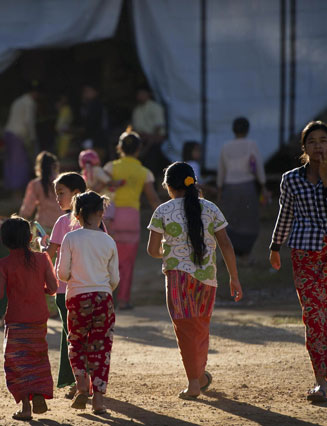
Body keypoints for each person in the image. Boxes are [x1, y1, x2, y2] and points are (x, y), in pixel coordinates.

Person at [269, 121, 327, 403]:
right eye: (312, 141)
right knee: (313, 314)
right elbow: (286, 214)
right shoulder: (291, 178)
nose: (318, 146)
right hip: (303, 252)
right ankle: (319, 381)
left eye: (323, 141)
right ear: (304, 148)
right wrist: (275, 246)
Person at [147, 162, 242, 400]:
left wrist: (168, 252)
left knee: (185, 328)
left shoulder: (162, 211)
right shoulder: (210, 208)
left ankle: (194, 383)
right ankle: (198, 376)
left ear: (168, 186)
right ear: (193, 182)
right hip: (207, 278)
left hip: (177, 276)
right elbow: (226, 245)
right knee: (200, 328)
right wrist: (234, 278)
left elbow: (152, 249)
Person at [0, 217, 58, 422]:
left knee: (17, 361)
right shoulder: (43, 259)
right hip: (39, 319)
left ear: (4, 240)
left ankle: (25, 407)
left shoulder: (2, 265)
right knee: (37, 357)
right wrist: (41, 289)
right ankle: (38, 392)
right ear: (29, 237)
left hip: (16, 320)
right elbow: (53, 288)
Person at [57, 191, 119, 415]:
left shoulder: (70, 238)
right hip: (103, 297)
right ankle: (99, 400)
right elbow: (115, 279)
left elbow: (62, 274)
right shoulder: (108, 241)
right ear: (101, 212)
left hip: (76, 297)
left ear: (77, 214)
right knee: (101, 348)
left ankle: (82, 383)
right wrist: (101, 289)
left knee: (76, 341)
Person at [104, 129, 161, 309]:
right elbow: (153, 199)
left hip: (110, 218)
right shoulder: (144, 172)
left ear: (119, 148)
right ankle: (124, 300)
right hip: (131, 219)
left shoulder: (110, 168)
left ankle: (105, 300)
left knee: (107, 261)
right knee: (127, 264)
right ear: (138, 150)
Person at [46, 172, 87, 399]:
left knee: (70, 336)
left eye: (61, 193)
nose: (58, 199)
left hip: (65, 290)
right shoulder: (96, 222)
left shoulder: (63, 222)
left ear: (76, 194)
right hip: (91, 287)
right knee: (86, 335)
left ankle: (75, 381)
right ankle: (87, 380)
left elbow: (49, 256)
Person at [216, 117, 270, 262]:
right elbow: (258, 166)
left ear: (233, 130)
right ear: (247, 129)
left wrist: (220, 188)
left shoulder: (225, 146)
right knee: (248, 220)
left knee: (231, 219)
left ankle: (230, 253)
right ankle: (245, 253)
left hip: (230, 187)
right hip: (247, 186)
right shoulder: (251, 145)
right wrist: (263, 185)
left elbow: (222, 169)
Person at [4, 83, 39, 195]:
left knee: (11, 162)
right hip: (19, 134)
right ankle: (17, 193)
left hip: (9, 132)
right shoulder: (29, 102)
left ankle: (12, 190)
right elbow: (29, 121)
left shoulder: (18, 101)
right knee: (19, 164)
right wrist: (32, 137)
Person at [19, 151, 64, 233]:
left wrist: (19, 221)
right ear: (55, 166)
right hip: (61, 227)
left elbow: (27, 210)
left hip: (42, 229)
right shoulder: (63, 183)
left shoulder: (35, 184)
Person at [132, 86, 169, 180]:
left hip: (155, 140)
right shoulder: (137, 110)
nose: (140, 96)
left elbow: (158, 127)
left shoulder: (155, 107)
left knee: (152, 162)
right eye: (139, 94)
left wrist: (149, 141)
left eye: (143, 93)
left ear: (148, 94)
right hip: (142, 140)